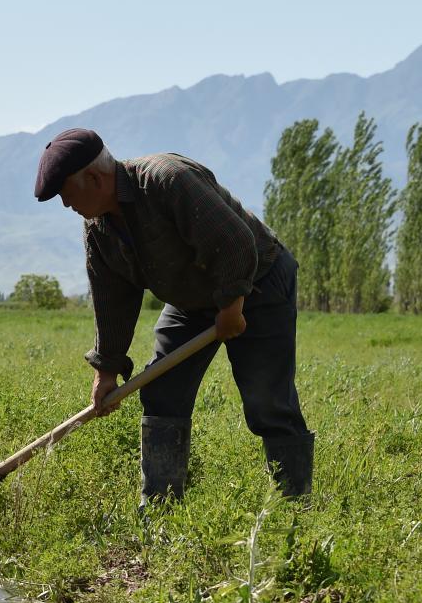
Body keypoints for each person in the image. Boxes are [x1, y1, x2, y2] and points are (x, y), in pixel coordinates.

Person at [34, 128, 314, 503]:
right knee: (161, 392)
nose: (65, 204)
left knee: (267, 402)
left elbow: (236, 244)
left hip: (257, 282)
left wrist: (231, 307)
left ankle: (294, 509)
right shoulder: (99, 228)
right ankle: (161, 513)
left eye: (66, 192)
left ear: (95, 178)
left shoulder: (166, 180)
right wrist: (107, 369)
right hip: (191, 301)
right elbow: (112, 300)